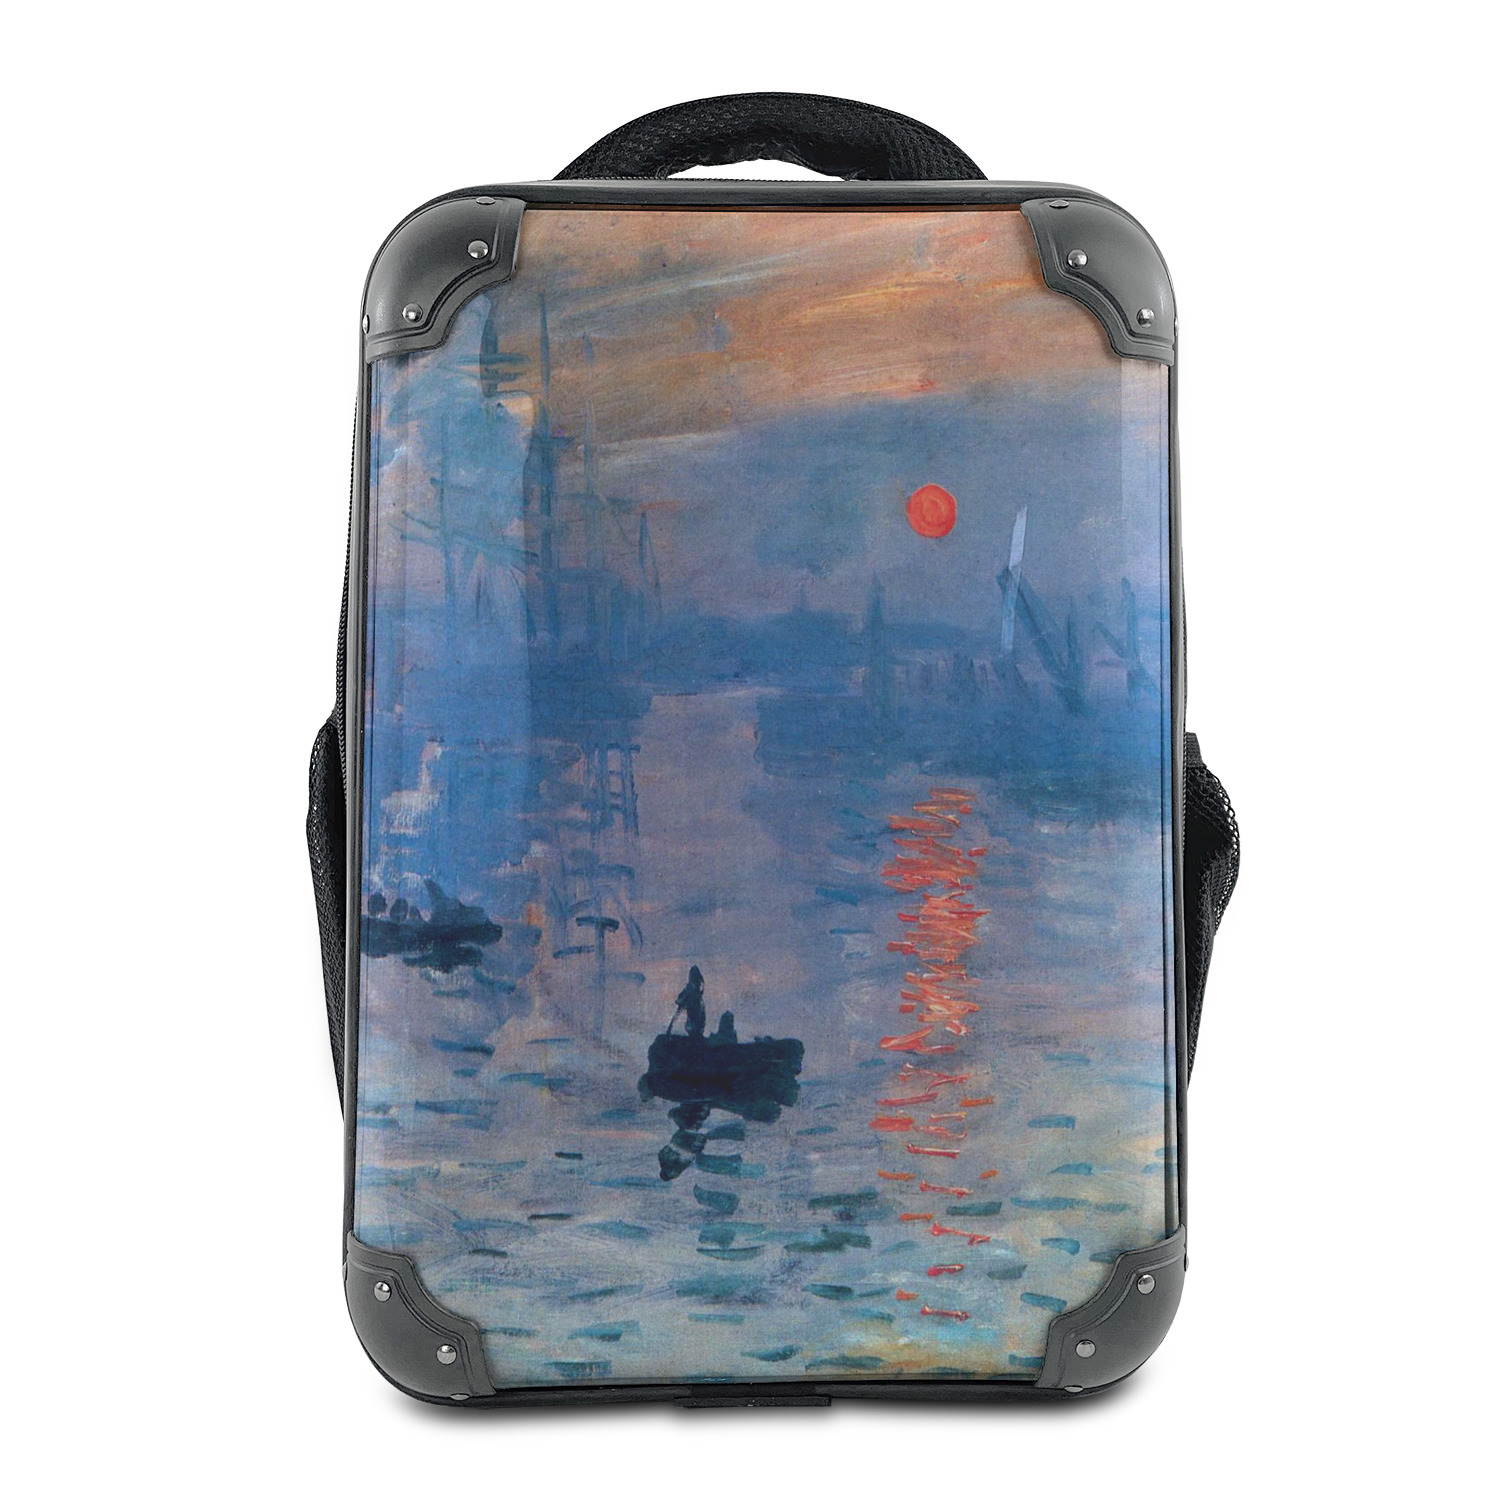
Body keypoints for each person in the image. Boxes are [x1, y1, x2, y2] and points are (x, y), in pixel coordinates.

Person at [675, 965, 706, 1038]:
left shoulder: (692, 989)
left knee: (695, 1024)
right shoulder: (695, 989)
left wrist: (681, 1001)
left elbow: (681, 999)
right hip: (696, 1018)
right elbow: (680, 998)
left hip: (695, 1018)